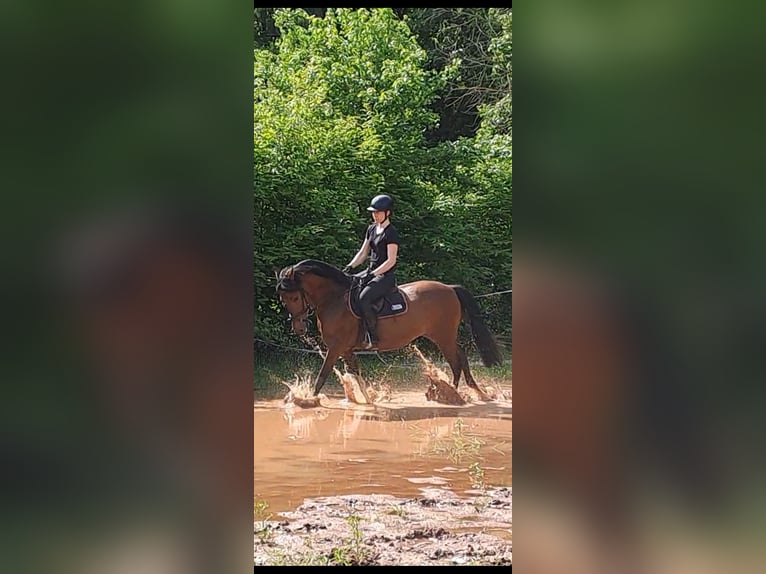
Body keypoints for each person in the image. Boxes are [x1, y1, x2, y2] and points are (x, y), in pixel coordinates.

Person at [343, 194, 399, 348]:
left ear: (387, 213)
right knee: (349, 288)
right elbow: (363, 253)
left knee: (364, 298)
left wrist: (373, 274)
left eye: (378, 212)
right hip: (371, 271)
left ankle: (372, 337)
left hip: (385, 275)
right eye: (373, 212)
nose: (375, 215)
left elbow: (391, 260)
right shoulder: (372, 229)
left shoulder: (391, 232)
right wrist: (350, 266)